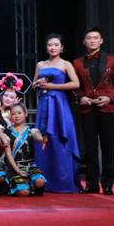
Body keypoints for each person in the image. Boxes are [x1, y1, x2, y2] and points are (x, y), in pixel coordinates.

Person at [72, 27, 114, 195]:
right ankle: (91, 184)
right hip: (87, 109)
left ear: (101, 41)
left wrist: (109, 97)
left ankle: (107, 184)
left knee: (108, 147)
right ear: (84, 42)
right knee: (90, 148)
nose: (92, 40)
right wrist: (81, 97)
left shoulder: (113, 60)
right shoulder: (77, 62)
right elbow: (75, 86)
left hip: (106, 108)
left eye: (95, 38)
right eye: (89, 38)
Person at [34, 33, 81, 193]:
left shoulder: (66, 64)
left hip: (59, 104)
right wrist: (38, 83)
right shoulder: (40, 64)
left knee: (60, 137)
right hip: (44, 104)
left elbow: (76, 83)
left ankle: (62, 181)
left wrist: (52, 87)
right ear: (46, 47)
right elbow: (33, 84)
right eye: (50, 45)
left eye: (56, 45)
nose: (52, 47)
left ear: (62, 48)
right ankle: (43, 180)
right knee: (42, 137)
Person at [0, 103, 47, 196]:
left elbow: (37, 134)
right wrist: (17, 170)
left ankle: (32, 186)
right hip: (13, 167)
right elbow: (8, 154)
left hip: (29, 167)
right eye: (13, 114)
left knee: (40, 182)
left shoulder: (31, 131)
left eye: (19, 113)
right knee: (23, 192)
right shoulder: (7, 132)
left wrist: (41, 139)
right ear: (10, 116)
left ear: (26, 114)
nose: (16, 116)